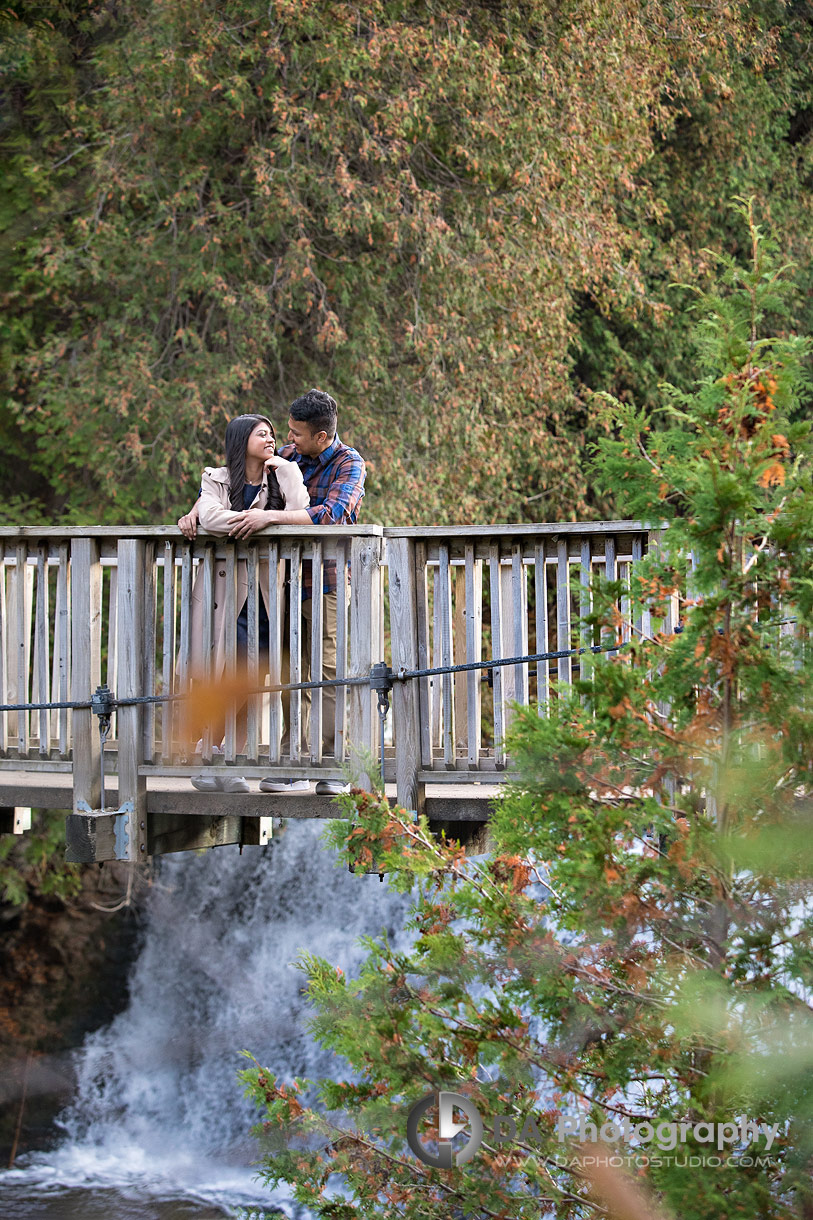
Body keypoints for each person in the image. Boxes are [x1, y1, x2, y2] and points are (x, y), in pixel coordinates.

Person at [178, 389, 366, 797]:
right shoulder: (286, 455)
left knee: (327, 672)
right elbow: (228, 480)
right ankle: (291, 760)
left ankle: (331, 766)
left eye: (297, 434)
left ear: (320, 436)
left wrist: (269, 518)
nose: (288, 440)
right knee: (284, 673)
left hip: (326, 583)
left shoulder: (349, 463)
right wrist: (195, 511)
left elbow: (333, 515)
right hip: (281, 584)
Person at [185, 413, 310, 792]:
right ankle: (212, 753)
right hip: (228, 594)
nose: (271, 439)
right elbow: (210, 516)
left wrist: (286, 476)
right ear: (242, 441)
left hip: (269, 592)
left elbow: (302, 512)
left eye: (273, 434)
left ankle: (224, 760)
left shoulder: (280, 477)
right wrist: (252, 520)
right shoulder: (217, 478)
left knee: (255, 675)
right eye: (262, 434)